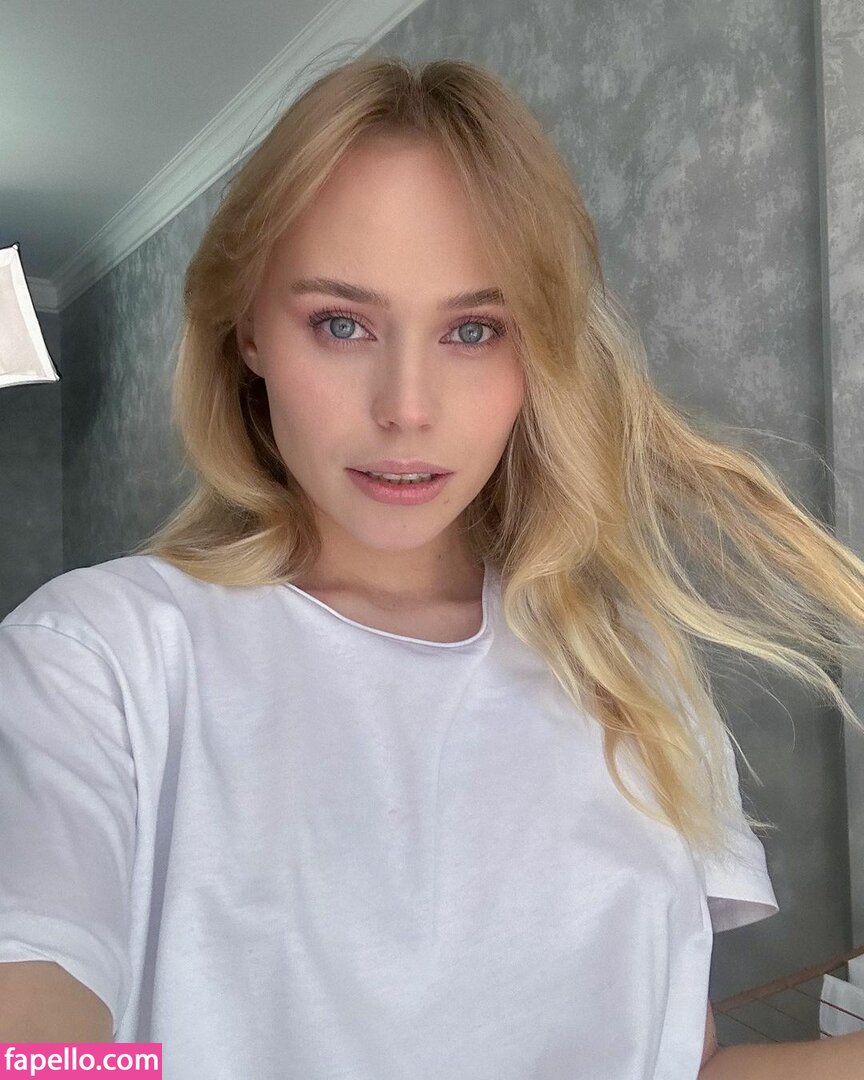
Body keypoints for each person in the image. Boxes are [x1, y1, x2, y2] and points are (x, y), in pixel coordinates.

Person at [1, 53, 863, 1080]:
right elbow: (37, 1046)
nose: (406, 407)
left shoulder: (631, 672)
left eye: (473, 330)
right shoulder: (99, 658)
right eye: (340, 324)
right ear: (247, 334)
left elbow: (678, 1064)